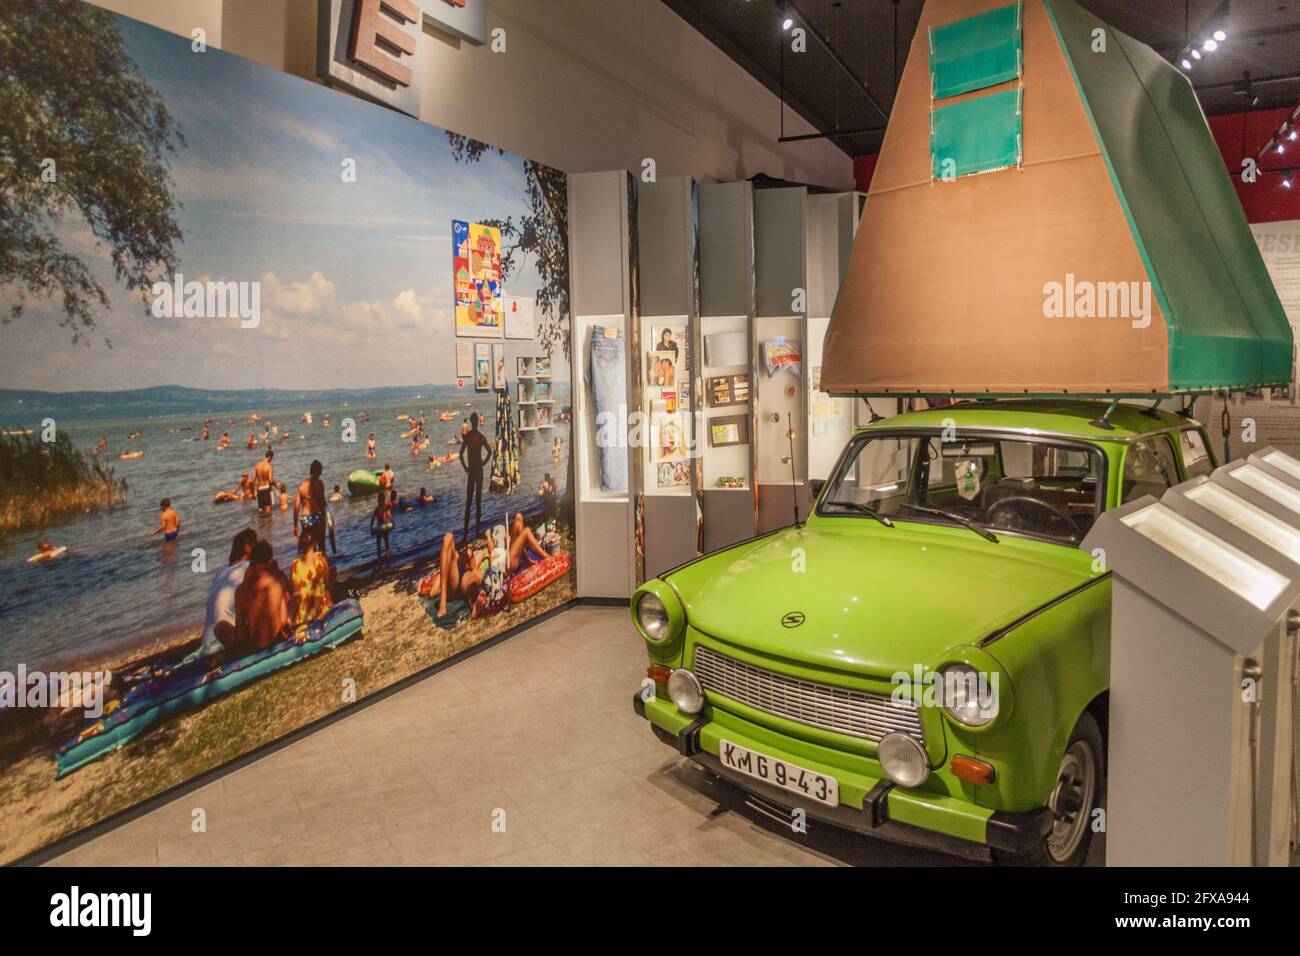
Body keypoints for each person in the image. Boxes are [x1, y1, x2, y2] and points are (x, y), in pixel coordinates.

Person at [201, 529, 257, 657]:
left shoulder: (220, 572)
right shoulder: (248, 567)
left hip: (206, 643)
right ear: (248, 548)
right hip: (226, 642)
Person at [232, 539, 292, 653]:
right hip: (276, 641)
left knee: (221, 626)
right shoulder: (277, 580)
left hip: (254, 646)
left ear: (252, 562)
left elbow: (240, 631)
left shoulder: (240, 590)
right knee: (294, 601)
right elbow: (284, 621)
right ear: (270, 560)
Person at [428, 532, 488, 619]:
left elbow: (481, 559)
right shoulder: (454, 558)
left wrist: (472, 561)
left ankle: (475, 608)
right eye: (464, 552)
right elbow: (433, 593)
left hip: (467, 578)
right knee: (448, 537)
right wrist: (442, 574)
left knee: (475, 583)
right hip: (453, 583)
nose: (467, 552)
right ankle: (443, 598)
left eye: (469, 550)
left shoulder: (475, 560)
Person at [459, 412, 492, 542]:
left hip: (472, 470)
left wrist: (465, 467)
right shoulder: (480, 436)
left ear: (472, 422)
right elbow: (490, 452)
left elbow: (461, 454)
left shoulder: (468, 436)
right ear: (477, 421)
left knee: (469, 502)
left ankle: (466, 535)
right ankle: (476, 532)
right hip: (479, 470)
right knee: (477, 502)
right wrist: (484, 462)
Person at [290, 531, 334, 627]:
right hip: (321, 612)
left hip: (303, 617)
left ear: (301, 545)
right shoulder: (321, 559)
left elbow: (295, 595)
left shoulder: (295, 565)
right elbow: (327, 586)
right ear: (314, 543)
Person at [294, 459, 328, 553]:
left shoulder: (301, 485)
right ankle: (323, 566)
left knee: (309, 547)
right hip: (317, 517)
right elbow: (322, 503)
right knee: (321, 546)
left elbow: (296, 507)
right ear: (319, 471)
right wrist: (325, 519)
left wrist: (295, 526)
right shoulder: (319, 483)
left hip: (304, 519)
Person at [370, 490, 394, 562]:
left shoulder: (377, 508)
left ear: (378, 499)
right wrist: (393, 523)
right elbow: (389, 516)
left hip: (379, 528)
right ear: (384, 499)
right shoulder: (385, 507)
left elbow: (373, 518)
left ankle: (379, 559)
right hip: (384, 527)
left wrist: (371, 528)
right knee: (387, 545)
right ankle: (388, 558)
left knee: (378, 546)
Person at [254, 449, 275, 514]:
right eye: (272, 458)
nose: (271, 460)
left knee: (261, 510)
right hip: (266, 489)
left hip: (259, 489)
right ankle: (268, 523)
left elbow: (253, 480)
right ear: (269, 457)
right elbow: (270, 480)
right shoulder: (269, 466)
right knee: (268, 510)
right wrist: (277, 484)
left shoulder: (257, 465)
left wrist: (254, 491)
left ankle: (262, 524)